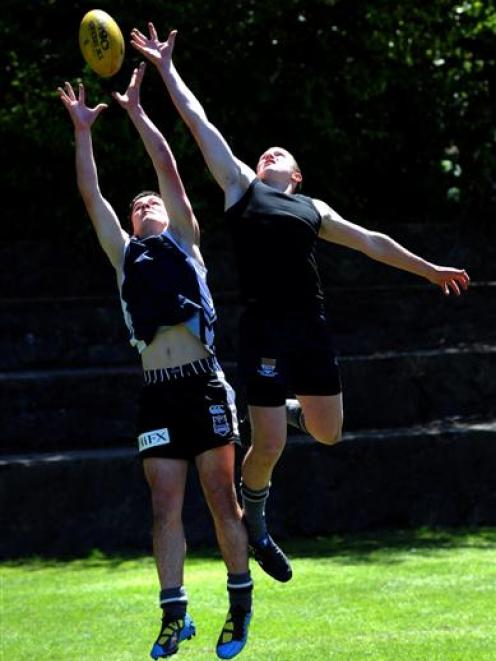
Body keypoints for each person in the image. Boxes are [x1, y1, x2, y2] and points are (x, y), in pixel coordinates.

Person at [129, 24, 471, 584]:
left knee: (331, 431)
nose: (269, 151)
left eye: (280, 152)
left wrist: (429, 270)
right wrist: (167, 67)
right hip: (263, 329)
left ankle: (288, 414)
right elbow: (199, 123)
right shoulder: (241, 186)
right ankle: (257, 518)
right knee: (267, 446)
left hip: (309, 328)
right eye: (267, 151)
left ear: (297, 175)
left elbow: (372, 242)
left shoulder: (314, 208)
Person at [57, 63, 253, 660]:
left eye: (150, 201)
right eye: (137, 202)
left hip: (202, 386)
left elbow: (167, 171)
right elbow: (92, 196)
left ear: (169, 213)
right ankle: (175, 615)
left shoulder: (186, 244)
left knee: (221, 496)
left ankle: (239, 605)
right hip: (157, 393)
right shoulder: (124, 258)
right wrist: (84, 130)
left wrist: (138, 112)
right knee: (164, 504)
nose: (143, 204)